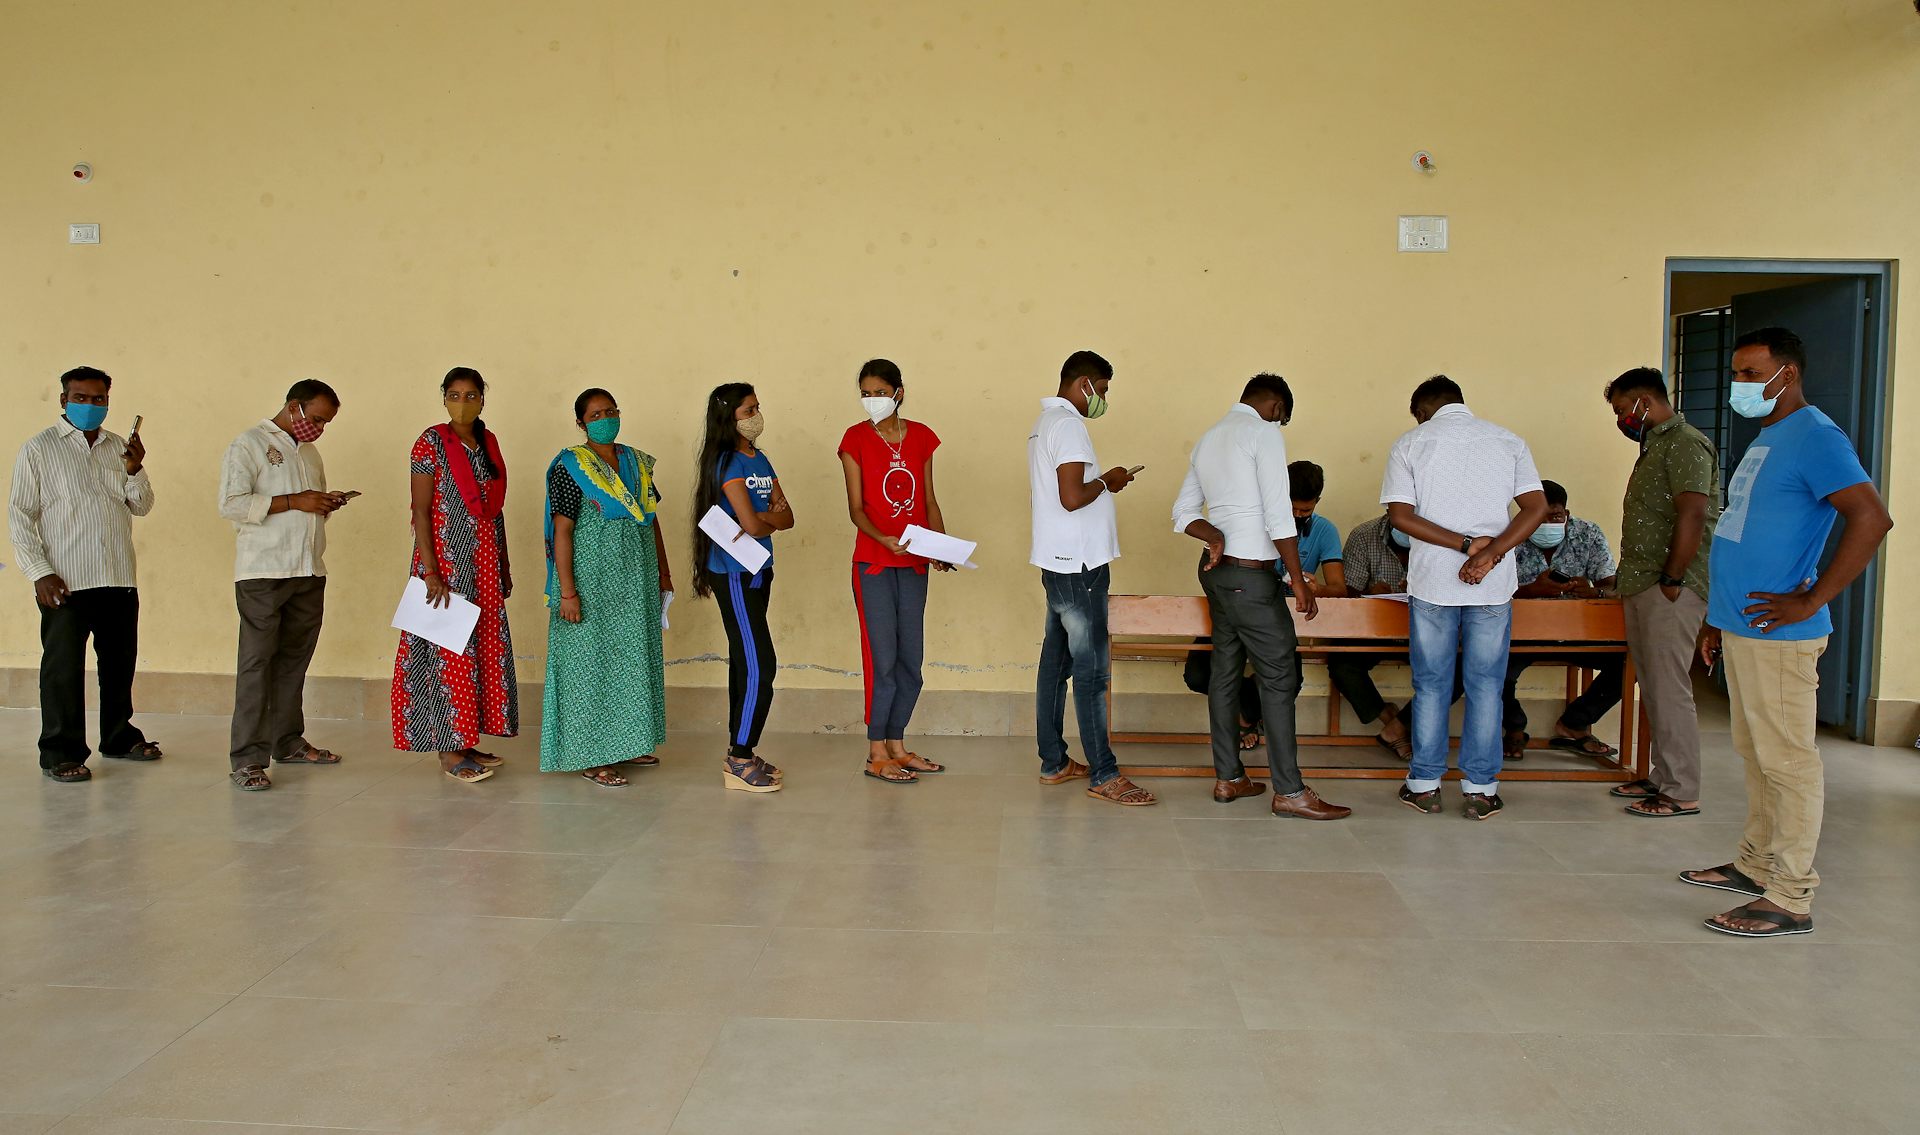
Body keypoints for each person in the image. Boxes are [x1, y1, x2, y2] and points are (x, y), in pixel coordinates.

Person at [1684, 327, 1891, 938]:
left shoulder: (1817, 437)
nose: (1739, 386)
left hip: (1780, 634)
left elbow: (1872, 518)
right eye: (1737, 375)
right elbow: (1748, 531)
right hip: (1743, 625)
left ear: (1787, 374)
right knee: (1757, 755)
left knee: (1788, 761)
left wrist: (1813, 598)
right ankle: (1754, 866)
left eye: (1751, 374)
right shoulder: (1770, 436)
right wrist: (1717, 621)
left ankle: (1791, 894)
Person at [1173, 374, 1350, 819]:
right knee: (1280, 676)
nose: (1281, 424)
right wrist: (1300, 579)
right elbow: (1278, 513)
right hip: (1251, 576)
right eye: (1283, 417)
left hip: (1215, 574)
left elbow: (1182, 515)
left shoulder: (1208, 439)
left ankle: (1230, 778)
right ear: (1275, 406)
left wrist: (1213, 533)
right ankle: (1289, 791)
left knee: (1225, 672)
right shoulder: (1263, 433)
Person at [1380, 375, 1547, 820]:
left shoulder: (1411, 442)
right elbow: (1537, 508)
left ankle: (1424, 785)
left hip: (1434, 581)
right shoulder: (1507, 440)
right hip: (1492, 584)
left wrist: (1464, 545)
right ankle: (1481, 790)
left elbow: (1400, 516)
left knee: (1432, 685)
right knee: (1487, 687)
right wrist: (1490, 551)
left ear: (1422, 409)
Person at [8, 366, 160, 782]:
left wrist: (135, 469)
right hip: (66, 582)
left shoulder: (118, 448)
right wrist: (39, 572)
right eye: (81, 398)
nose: (90, 406)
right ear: (63, 400)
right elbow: (20, 515)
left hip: (117, 576)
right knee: (62, 670)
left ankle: (118, 736)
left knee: (118, 665)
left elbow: (142, 506)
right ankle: (60, 752)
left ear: (108, 401)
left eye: (99, 400)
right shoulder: (39, 449)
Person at [1027, 350, 1155, 806]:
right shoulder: (1068, 426)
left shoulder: (1045, 424)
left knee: (1055, 668)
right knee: (1092, 671)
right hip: (1079, 567)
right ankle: (1104, 773)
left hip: (1059, 562)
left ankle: (1054, 761)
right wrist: (1110, 479)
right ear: (1084, 383)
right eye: (1102, 389)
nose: (1102, 398)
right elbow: (1071, 496)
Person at [218, 379, 352, 791]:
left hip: (308, 571)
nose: (320, 429)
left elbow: (308, 512)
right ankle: (247, 759)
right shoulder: (249, 444)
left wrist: (325, 504)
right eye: (316, 419)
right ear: (294, 406)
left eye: (327, 423)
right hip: (264, 573)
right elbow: (232, 504)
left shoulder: (309, 453)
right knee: (257, 665)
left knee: (294, 663)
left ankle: (288, 741)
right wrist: (295, 501)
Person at [391, 367, 519, 784]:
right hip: (445, 561)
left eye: (471, 395)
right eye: (454, 395)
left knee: (478, 646)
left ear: (483, 399)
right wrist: (429, 570)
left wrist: (501, 565)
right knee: (448, 651)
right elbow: (421, 509)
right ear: (443, 398)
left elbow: (492, 510)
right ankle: (448, 750)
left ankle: (466, 738)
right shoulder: (430, 442)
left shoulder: (487, 443)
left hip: (482, 561)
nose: (462, 403)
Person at [541, 388, 671, 788]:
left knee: (630, 659)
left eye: (611, 410)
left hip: (636, 576)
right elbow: (562, 530)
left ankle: (627, 742)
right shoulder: (571, 466)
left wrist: (663, 573)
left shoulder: (635, 462)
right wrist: (568, 591)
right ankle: (593, 755)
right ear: (581, 423)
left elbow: (651, 519)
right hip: (591, 578)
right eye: (596, 414)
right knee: (589, 664)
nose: (606, 418)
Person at [1605, 366, 1720, 818]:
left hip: (1669, 585)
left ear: (1643, 402)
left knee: (1670, 688)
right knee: (1652, 684)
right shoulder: (1656, 444)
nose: (1620, 420)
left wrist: (1672, 578)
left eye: (1621, 410)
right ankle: (1662, 776)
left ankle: (1681, 790)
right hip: (1643, 580)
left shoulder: (1686, 443)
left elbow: (1692, 514)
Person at [838, 358, 953, 784]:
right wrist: (881, 538)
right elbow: (856, 508)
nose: (872, 400)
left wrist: (941, 547)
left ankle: (898, 746)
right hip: (873, 564)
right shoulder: (854, 440)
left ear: (898, 393)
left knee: (911, 660)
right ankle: (875, 752)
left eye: (880, 392)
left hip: (915, 562)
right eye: (865, 393)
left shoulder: (921, 437)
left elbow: (929, 500)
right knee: (881, 658)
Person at [1182, 458, 1347, 753]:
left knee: (1289, 679)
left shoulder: (1324, 531)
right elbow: (1218, 573)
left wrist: (1317, 589)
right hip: (1235, 610)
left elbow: (1338, 588)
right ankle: (1247, 714)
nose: (1296, 515)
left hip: (1282, 621)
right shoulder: (1251, 522)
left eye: (1305, 510)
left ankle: (1247, 717)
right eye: (1291, 508)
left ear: (1317, 502)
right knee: (1197, 674)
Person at [692, 383, 791, 793]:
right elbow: (754, 524)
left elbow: (789, 518)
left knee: (746, 659)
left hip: (759, 569)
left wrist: (766, 517)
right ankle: (739, 757)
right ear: (729, 416)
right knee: (759, 664)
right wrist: (769, 517)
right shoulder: (727, 463)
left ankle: (742, 749)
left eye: (757, 407)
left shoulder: (759, 458)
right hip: (733, 573)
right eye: (749, 409)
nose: (756, 415)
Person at [1501, 479, 1625, 761]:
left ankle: (1575, 722)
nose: (1546, 524)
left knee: (1633, 662)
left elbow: (1613, 585)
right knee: (1491, 666)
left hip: (1579, 633)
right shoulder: (1508, 536)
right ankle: (1514, 727)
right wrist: (1532, 591)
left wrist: (1594, 592)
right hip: (1521, 635)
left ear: (1566, 514)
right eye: (1537, 516)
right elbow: (1488, 593)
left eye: (1555, 516)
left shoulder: (1587, 533)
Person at [1326, 510, 1415, 758]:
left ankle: (1398, 727)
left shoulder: (1440, 536)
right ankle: (1390, 718)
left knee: (1458, 667)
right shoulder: (1365, 536)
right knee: (1341, 662)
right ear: (1390, 511)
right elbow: (1347, 594)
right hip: (1374, 630)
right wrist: (1369, 593)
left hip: (1425, 630)